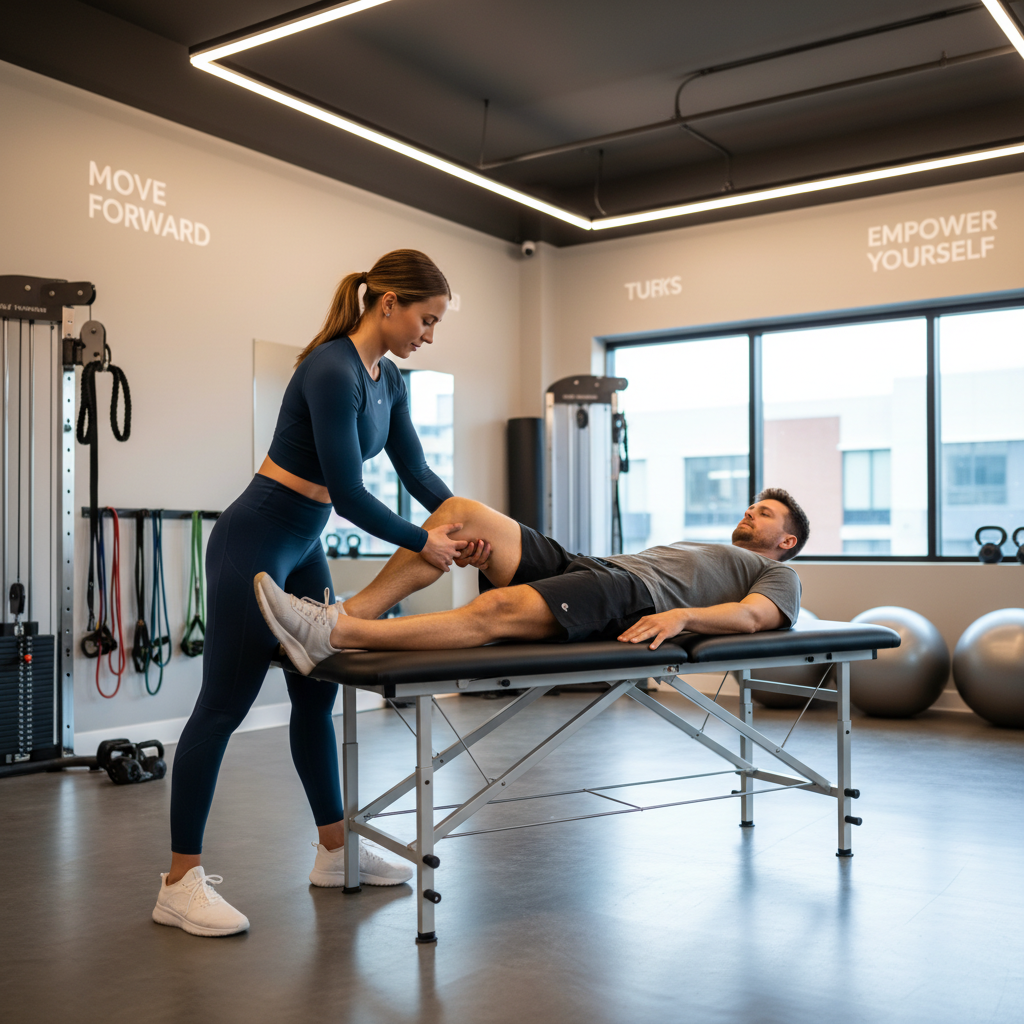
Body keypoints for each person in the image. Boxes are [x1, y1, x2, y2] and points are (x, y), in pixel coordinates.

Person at [154, 250, 490, 938]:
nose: (429, 334)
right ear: (388, 302)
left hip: (304, 543)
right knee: (223, 707)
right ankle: (178, 882)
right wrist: (425, 543)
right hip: (256, 540)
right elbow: (349, 494)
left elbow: (419, 474)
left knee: (316, 695)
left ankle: (336, 855)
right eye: (426, 319)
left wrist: (472, 523)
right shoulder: (330, 368)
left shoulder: (388, 380)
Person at [254, 488, 809, 674]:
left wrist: (682, 616)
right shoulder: (708, 547)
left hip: (630, 597)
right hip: (594, 567)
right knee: (460, 513)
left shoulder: (778, 573)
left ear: (786, 541)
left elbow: (756, 616)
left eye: (763, 514)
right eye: (751, 507)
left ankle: (336, 634)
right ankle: (350, 613)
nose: (749, 514)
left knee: (495, 612)